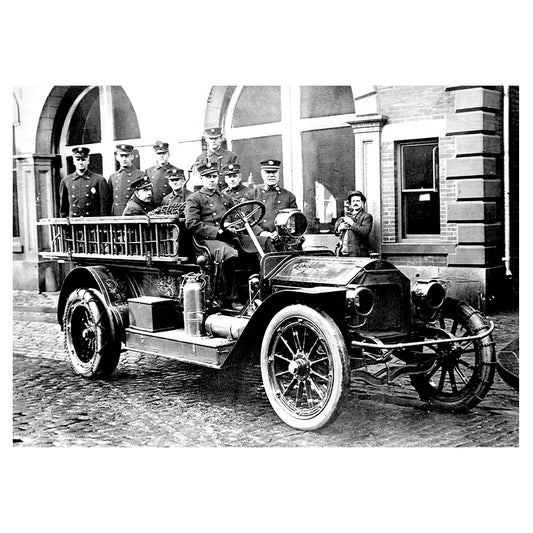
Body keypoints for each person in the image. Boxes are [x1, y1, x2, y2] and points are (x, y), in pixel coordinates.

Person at [185, 162, 241, 309]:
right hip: (207, 240)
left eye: (214, 176)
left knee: (261, 244)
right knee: (229, 253)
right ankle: (231, 298)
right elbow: (191, 223)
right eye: (208, 177)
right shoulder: (194, 198)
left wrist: (234, 226)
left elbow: (236, 217)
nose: (211, 180)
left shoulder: (225, 197)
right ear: (202, 179)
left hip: (228, 236)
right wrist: (217, 231)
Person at [244, 159, 297, 242]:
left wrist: (281, 233)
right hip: (259, 240)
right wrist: (261, 233)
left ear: (278, 174)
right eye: (268, 172)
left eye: (274, 172)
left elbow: (294, 221)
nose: (271, 175)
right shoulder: (251, 195)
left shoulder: (288, 196)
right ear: (262, 174)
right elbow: (246, 220)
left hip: (283, 239)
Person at [59, 147, 110, 217]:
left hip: (93, 224)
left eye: (83, 159)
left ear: (88, 160)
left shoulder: (99, 180)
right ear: (74, 161)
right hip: (74, 224)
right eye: (78, 160)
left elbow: (104, 208)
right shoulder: (66, 181)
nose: (80, 162)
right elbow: (63, 208)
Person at [109, 144, 147, 215]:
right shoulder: (113, 177)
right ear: (117, 157)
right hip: (116, 215)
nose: (124, 159)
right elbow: (110, 200)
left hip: (133, 215)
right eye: (121, 156)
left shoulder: (140, 175)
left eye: (126, 156)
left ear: (132, 157)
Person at [334, 190, 373, 257]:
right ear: (351, 204)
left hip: (357, 253)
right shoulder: (347, 216)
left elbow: (365, 232)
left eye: (358, 201)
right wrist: (340, 228)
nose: (355, 203)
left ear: (362, 203)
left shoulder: (366, 216)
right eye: (353, 201)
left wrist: (352, 223)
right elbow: (336, 233)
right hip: (342, 253)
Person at [144, 141, 179, 207]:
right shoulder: (149, 171)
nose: (162, 156)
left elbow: (180, 192)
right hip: (152, 206)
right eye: (159, 154)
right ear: (155, 155)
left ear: (168, 154)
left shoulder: (176, 171)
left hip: (169, 206)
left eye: (164, 153)